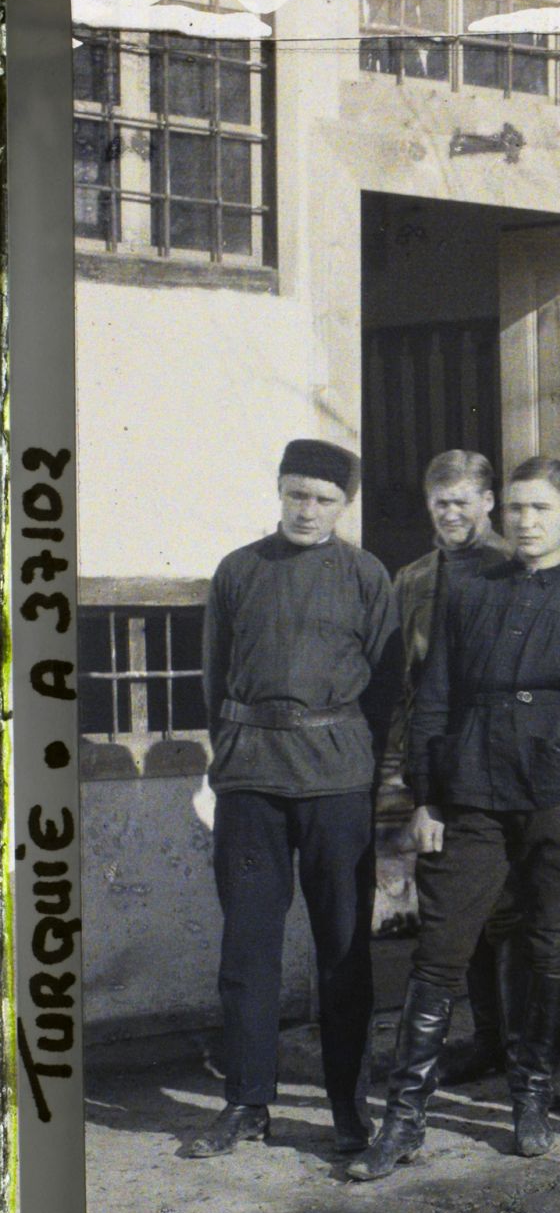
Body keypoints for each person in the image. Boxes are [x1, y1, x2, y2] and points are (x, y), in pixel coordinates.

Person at [346, 458, 560, 1180]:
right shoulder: (467, 590)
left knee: (548, 944)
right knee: (441, 950)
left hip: (557, 803)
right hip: (471, 794)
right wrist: (429, 796)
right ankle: (403, 1119)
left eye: (542, 508)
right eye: (515, 508)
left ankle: (532, 1098)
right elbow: (435, 699)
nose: (526, 521)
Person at [189, 439, 401, 1159]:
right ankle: (247, 1102)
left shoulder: (367, 576)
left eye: (324, 499)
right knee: (247, 946)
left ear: (346, 505)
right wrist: (230, 758)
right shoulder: (238, 570)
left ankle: (348, 1108)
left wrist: (358, 762)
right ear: (279, 491)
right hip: (251, 780)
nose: (308, 510)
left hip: (336, 781)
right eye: (297, 494)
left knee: (343, 947)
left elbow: (387, 684)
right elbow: (215, 678)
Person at [381, 450, 525, 1092]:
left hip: (499, 764)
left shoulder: (512, 569)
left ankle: (520, 1050)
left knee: (510, 912)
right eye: (441, 502)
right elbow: (402, 687)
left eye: (465, 500)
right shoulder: (411, 579)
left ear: (489, 502)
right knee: (450, 910)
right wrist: (401, 780)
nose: (452, 514)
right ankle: (485, 1039)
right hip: (434, 765)